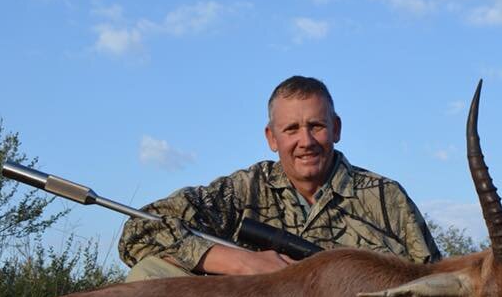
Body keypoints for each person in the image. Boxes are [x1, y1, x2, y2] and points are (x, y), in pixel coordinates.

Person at [119, 76, 440, 281]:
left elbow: (434, 279)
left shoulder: (386, 197)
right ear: (272, 138)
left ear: (337, 129)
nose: (306, 141)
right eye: (291, 129)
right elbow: (138, 230)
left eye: (316, 126)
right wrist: (241, 262)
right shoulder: (244, 189)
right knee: (150, 274)